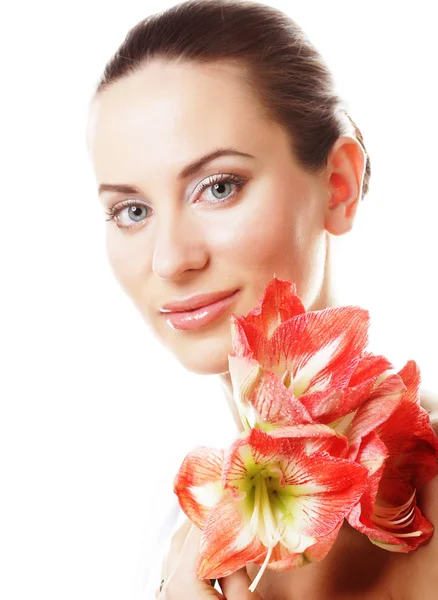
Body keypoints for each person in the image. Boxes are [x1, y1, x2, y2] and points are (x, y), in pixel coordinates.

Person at [85, 0, 438, 597]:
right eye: (132, 210)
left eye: (218, 187)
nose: (171, 259)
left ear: (339, 185)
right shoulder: (178, 548)